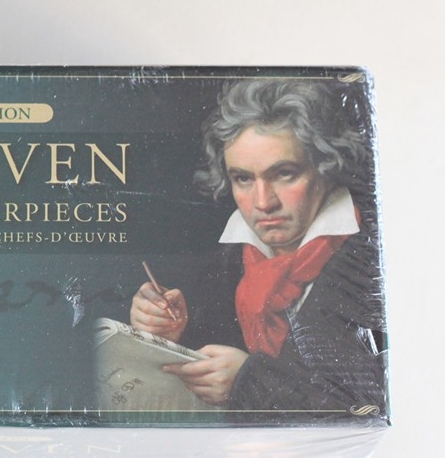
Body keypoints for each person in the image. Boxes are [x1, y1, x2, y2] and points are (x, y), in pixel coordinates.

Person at [129, 79, 387, 421]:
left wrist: (247, 381)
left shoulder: (368, 263)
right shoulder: (230, 262)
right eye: (243, 179)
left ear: (326, 167)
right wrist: (172, 333)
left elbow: (366, 407)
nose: (263, 202)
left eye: (284, 174)